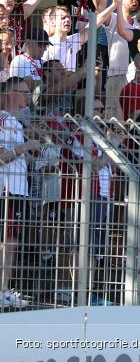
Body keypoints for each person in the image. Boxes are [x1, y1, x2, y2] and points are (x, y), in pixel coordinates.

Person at [0, 79, 41, 307]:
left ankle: (4, 289)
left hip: (17, 190)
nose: (27, 98)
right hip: (8, 189)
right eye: (24, 93)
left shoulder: (15, 122)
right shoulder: (5, 120)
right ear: (10, 93)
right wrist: (25, 147)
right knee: (7, 242)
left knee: (11, 241)